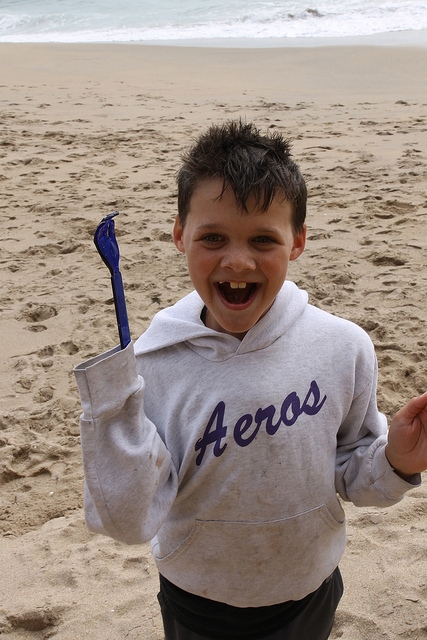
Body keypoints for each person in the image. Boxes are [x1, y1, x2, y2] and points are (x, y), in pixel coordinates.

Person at [74, 120, 427, 640]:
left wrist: (396, 460)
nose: (237, 261)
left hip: (310, 585)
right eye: (212, 237)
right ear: (179, 234)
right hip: (196, 596)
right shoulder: (150, 364)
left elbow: (352, 475)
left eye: (263, 239)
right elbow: (128, 519)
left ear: (298, 241)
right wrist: (110, 404)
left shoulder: (343, 347)